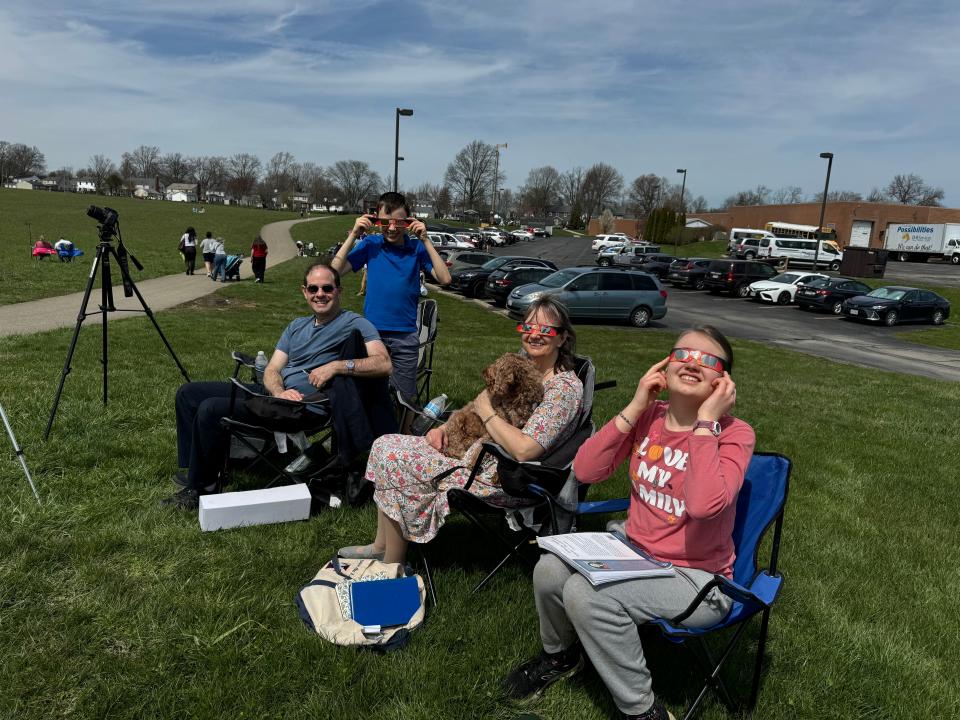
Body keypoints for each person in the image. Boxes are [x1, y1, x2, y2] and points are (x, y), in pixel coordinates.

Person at [503, 326, 755, 720]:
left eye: (707, 360)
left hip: (696, 578)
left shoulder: (735, 434)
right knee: (550, 569)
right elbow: (585, 470)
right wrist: (636, 406)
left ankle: (642, 710)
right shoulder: (649, 418)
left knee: (588, 597)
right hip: (634, 551)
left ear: (724, 381)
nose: (692, 363)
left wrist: (706, 423)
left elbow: (705, 506)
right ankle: (562, 657)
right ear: (665, 366)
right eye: (682, 354)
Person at [338, 297, 584, 564]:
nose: (534, 335)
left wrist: (487, 412)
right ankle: (381, 544)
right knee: (385, 444)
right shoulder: (524, 364)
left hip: (498, 473)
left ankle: (392, 564)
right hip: (474, 450)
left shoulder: (563, 390)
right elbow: (478, 403)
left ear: (562, 338)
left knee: (397, 461)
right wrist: (444, 427)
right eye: (527, 328)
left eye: (545, 330)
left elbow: (526, 449)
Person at [163, 263, 394, 510]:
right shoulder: (296, 326)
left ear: (339, 290)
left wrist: (337, 366)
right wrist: (278, 392)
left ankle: (201, 488)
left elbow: (383, 363)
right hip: (278, 396)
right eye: (313, 288)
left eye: (327, 288)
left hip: (304, 407)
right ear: (304, 291)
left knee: (210, 409)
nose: (320, 294)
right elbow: (273, 369)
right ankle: (201, 470)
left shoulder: (355, 323)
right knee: (188, 394)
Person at [331, 192, 452, 401]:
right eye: (386, 222)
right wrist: (353, 235)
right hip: (371, 335)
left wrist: (426, 240)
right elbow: (333, 273)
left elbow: (445, 279)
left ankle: (402, 434)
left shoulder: (416, 248)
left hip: (405, 337)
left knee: (404, 398)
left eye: (399, 222)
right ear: (376, 220)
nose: (393, 228)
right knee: (367, 395)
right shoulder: (371, 245)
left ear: (409, 221)